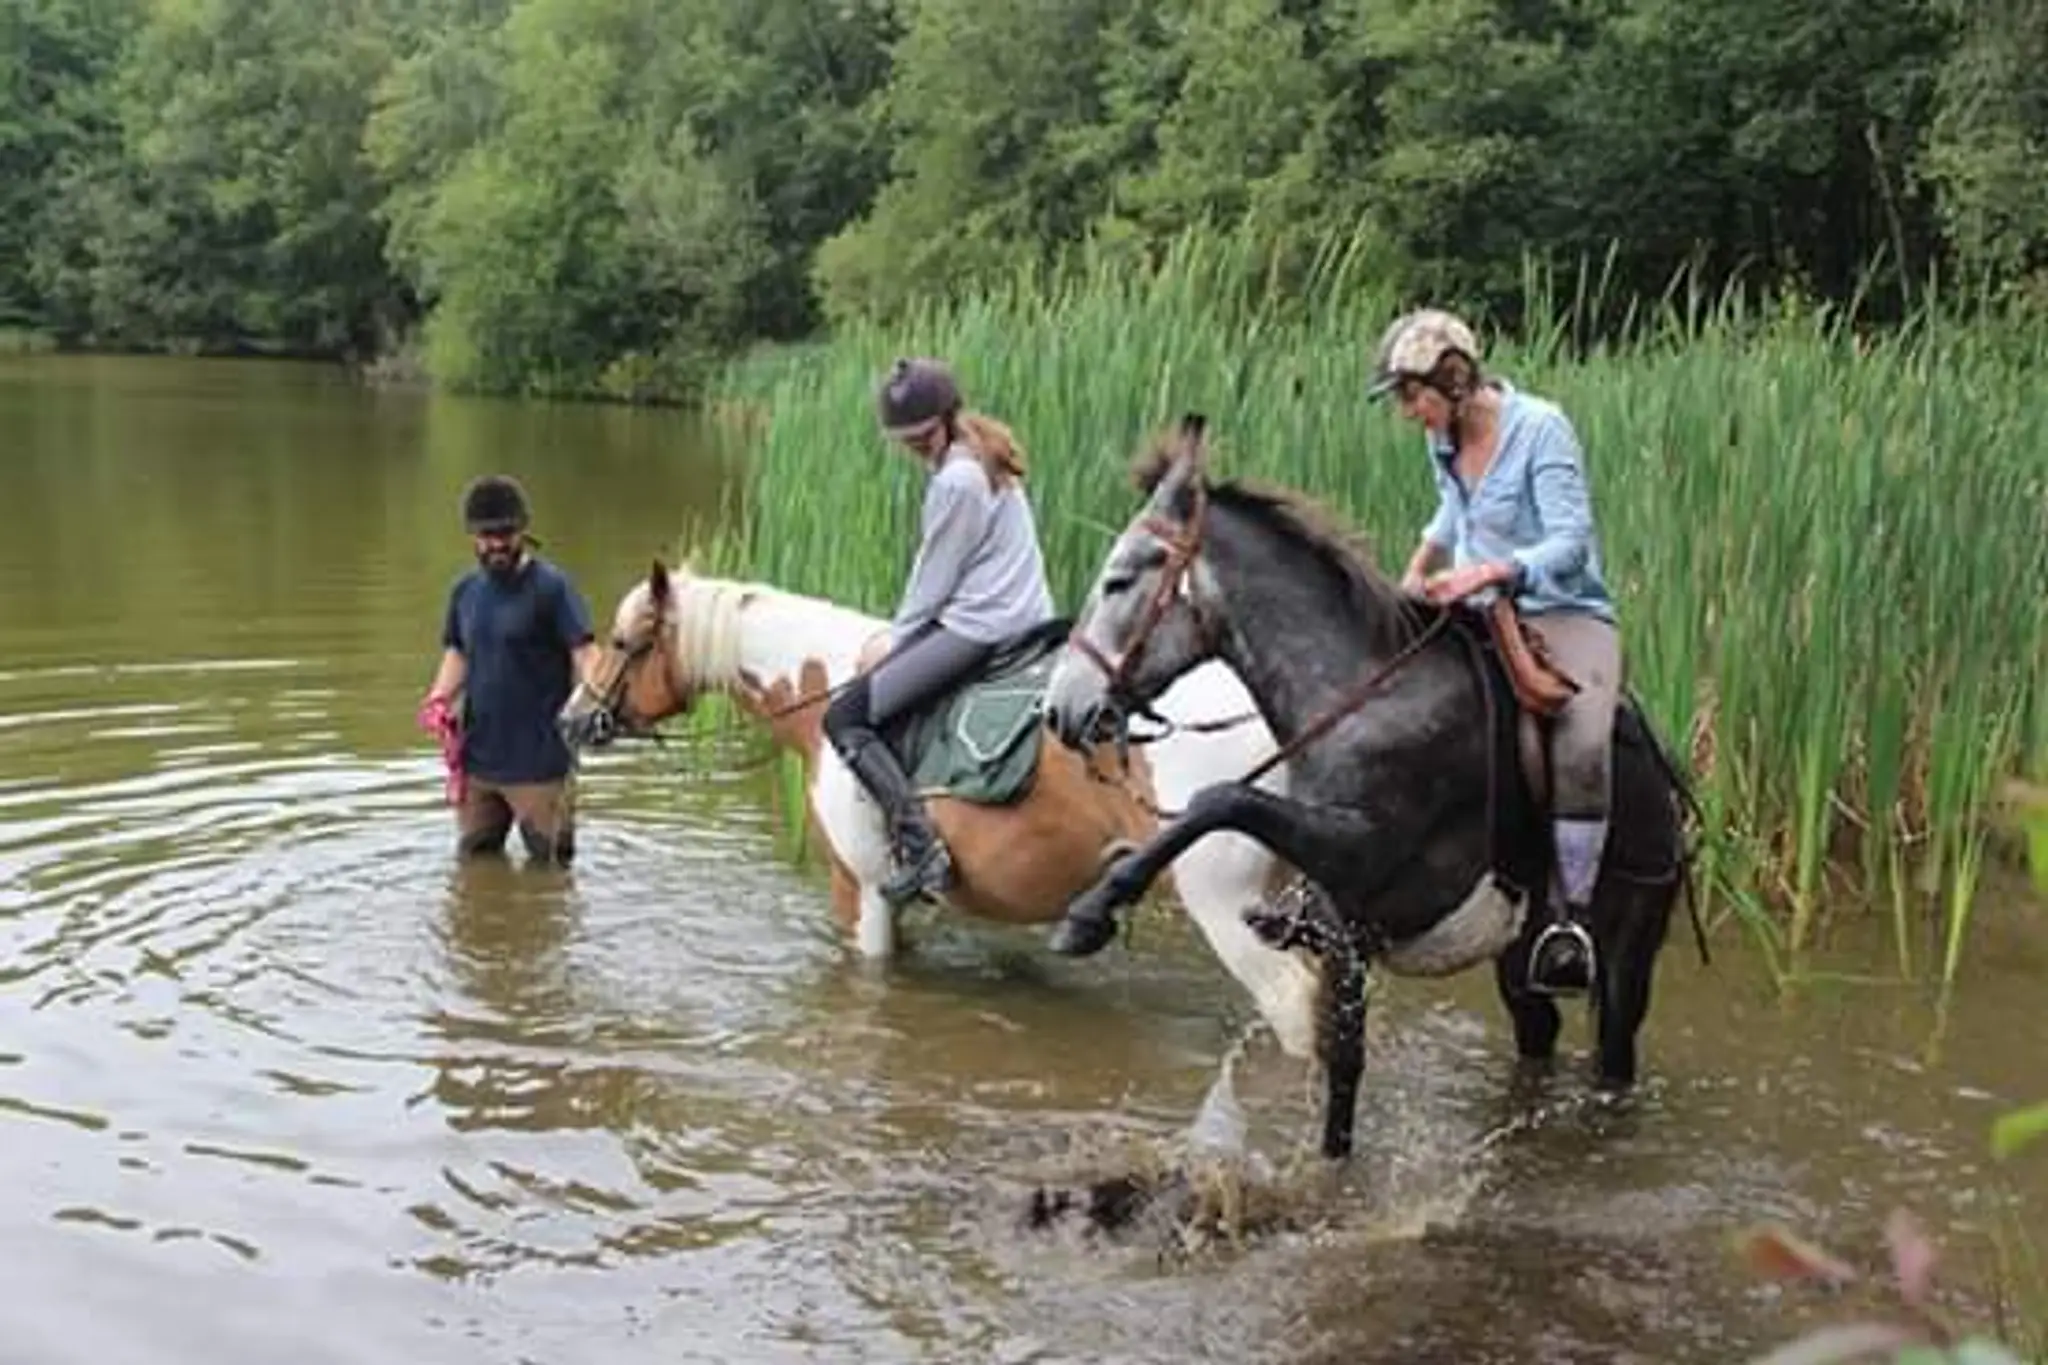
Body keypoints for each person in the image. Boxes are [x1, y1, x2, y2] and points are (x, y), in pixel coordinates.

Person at [1369, 307, 1621, 997]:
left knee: (1583, 744)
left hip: (1562, 611)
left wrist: (1494, 570)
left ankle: (1572, 921)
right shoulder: (1442, 439)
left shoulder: (1542, 428)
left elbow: (1571, 541)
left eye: (1411, 396)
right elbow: (1454, 510)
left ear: (1453, 381)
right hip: (1475, 610)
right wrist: (1416, 569)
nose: (1407, 413)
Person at [821, 357, 1058, 907]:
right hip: (1023, 613)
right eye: (906, 440)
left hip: (983, 626)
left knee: (845, 718)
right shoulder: (983, 453)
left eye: (922, 436)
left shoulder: (957, 480)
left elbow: (934, 578)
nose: (915, 447)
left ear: (947, 419)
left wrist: (892, 643)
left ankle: (923, 847)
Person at [417, 474, 602, 868]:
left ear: (522, 531)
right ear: (473, 537)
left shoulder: (553, 588)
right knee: (474, 865)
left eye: (505, 533)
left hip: (541, 766)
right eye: (487, 535)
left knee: (550, 872)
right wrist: (437, 699)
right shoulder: (464, 591)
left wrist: (601, 700)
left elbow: (584, 651)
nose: (497, 543)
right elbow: (458, 651)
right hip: (478, 762)